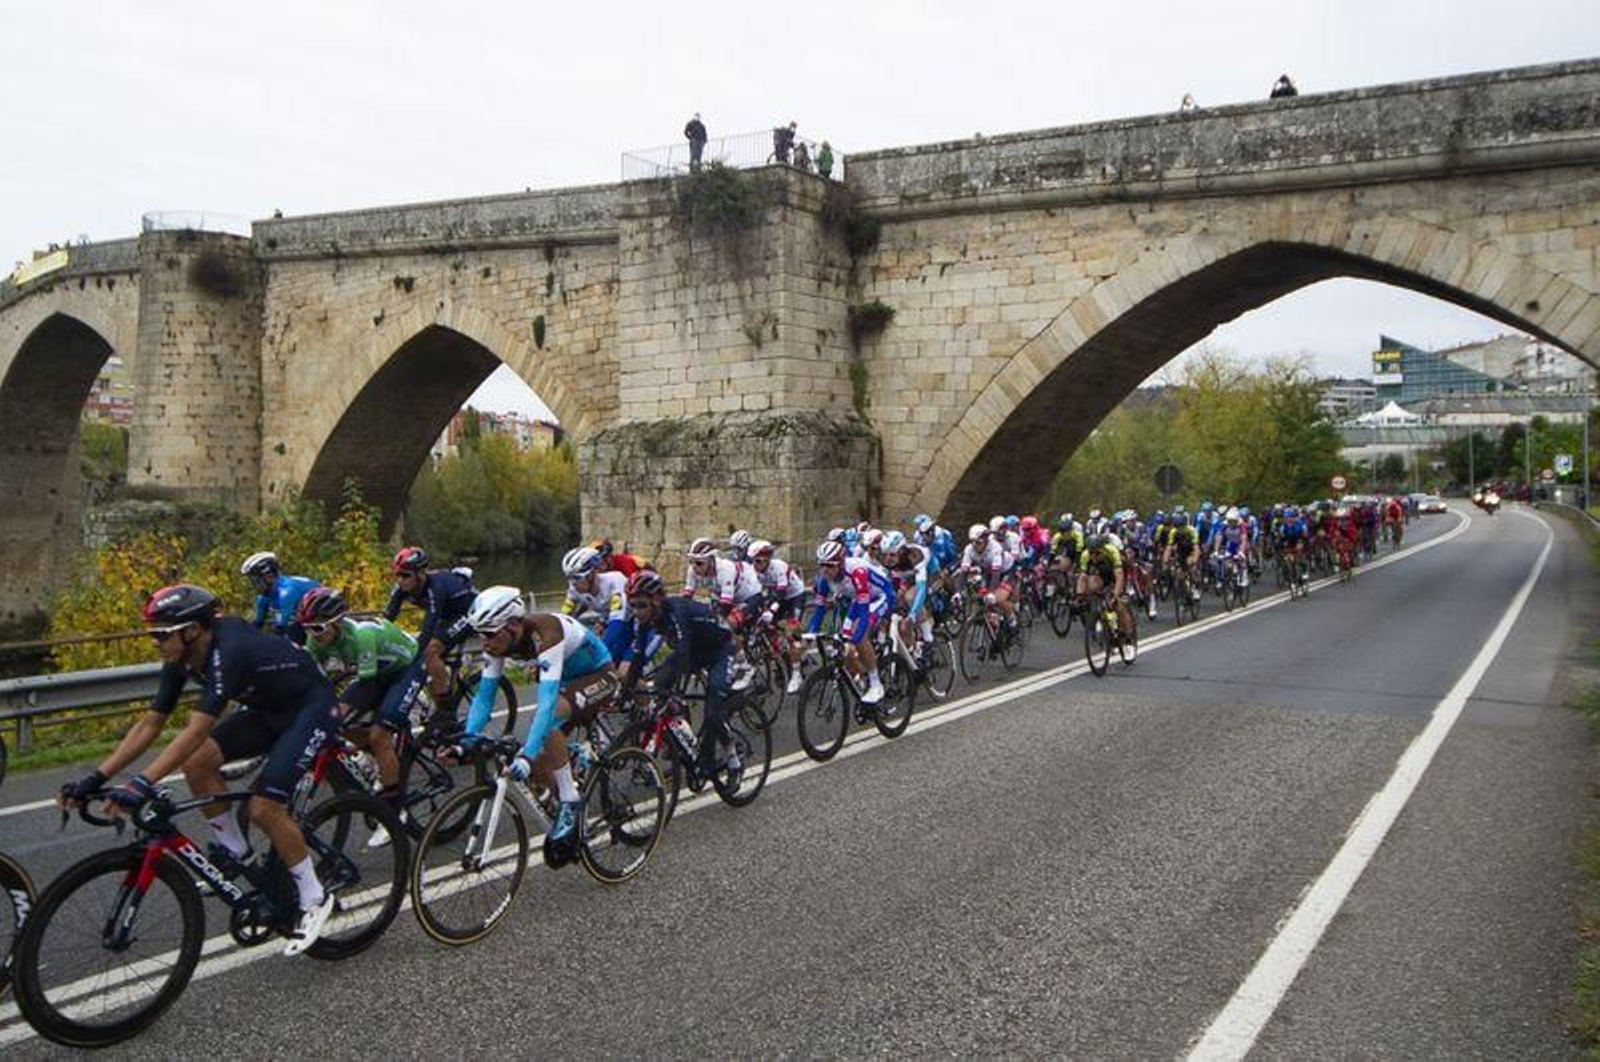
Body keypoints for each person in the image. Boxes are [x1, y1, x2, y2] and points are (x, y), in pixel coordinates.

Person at [60, 585, 340, 955]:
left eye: (161, 634)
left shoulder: (229, 650)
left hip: (310, 709)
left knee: (263, 808)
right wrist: (96, 777)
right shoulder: (181, 657)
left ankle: (314, 896)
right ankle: (238, 854)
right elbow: (151, 723)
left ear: (192, 629)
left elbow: (195, 731)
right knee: (198, 763)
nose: (155, 643)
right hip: (268, 711)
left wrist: (142, 783)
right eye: (152, 634)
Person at [458, 587, 622, 856]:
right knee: (536, 753)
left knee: (546, 721)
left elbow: (545, 706)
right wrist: (466, 741)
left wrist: (527, 755)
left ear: (512, 626)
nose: (484, 642)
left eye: (488, 634)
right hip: (568, 681)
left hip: (599, 675)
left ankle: (570, 799)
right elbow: (484, 698)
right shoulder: (499, 641)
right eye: (479, 634)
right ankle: (572, 760)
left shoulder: (546, 633)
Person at [620, 570, 744, 787]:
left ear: (657, 599)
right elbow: (638, 658)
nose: (637, 611)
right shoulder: (646, 619)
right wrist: (627, 691)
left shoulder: (677, 610)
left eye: (641, 605)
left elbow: (683, 653)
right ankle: (686, 741)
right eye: (633, 606)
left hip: (721, 650)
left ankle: (732, 757)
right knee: (660, 684)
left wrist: (673, 691)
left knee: (712, 712)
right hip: (695, 650)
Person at [297, 587, 416, 804]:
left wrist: (334, 712)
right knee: (335, 723)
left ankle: (394, 806)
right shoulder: (316, 639)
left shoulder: (362, 635)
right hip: (374, 673)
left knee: (378, 735)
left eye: (317, 627)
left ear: (337, 621)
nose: (312, 634)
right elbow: (313, 681)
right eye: (306, 628)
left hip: (405, 669)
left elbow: (367, 687)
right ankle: (375, 751)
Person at [382, 546, 477, 730]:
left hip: (469, 613)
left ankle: (445, 709)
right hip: (448, 615)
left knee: (430, 650)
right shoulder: (402, 586)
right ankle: (440, 691)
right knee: (425, 658)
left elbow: (429, 625)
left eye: (405, 575)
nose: (401, 580)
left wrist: (414, 653)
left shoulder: (436, 586)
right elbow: (388, 617)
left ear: (421, 573)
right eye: (398, 575)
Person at [241, 551, 320, 644]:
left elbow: (281, 628)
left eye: (256, 581)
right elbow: (257, 624)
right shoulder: (262, 598)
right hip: (304, 618)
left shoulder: (286, 592)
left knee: (292, 635)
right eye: (252, 581)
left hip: (323, 616)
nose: (254, 585)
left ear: (269, 577)